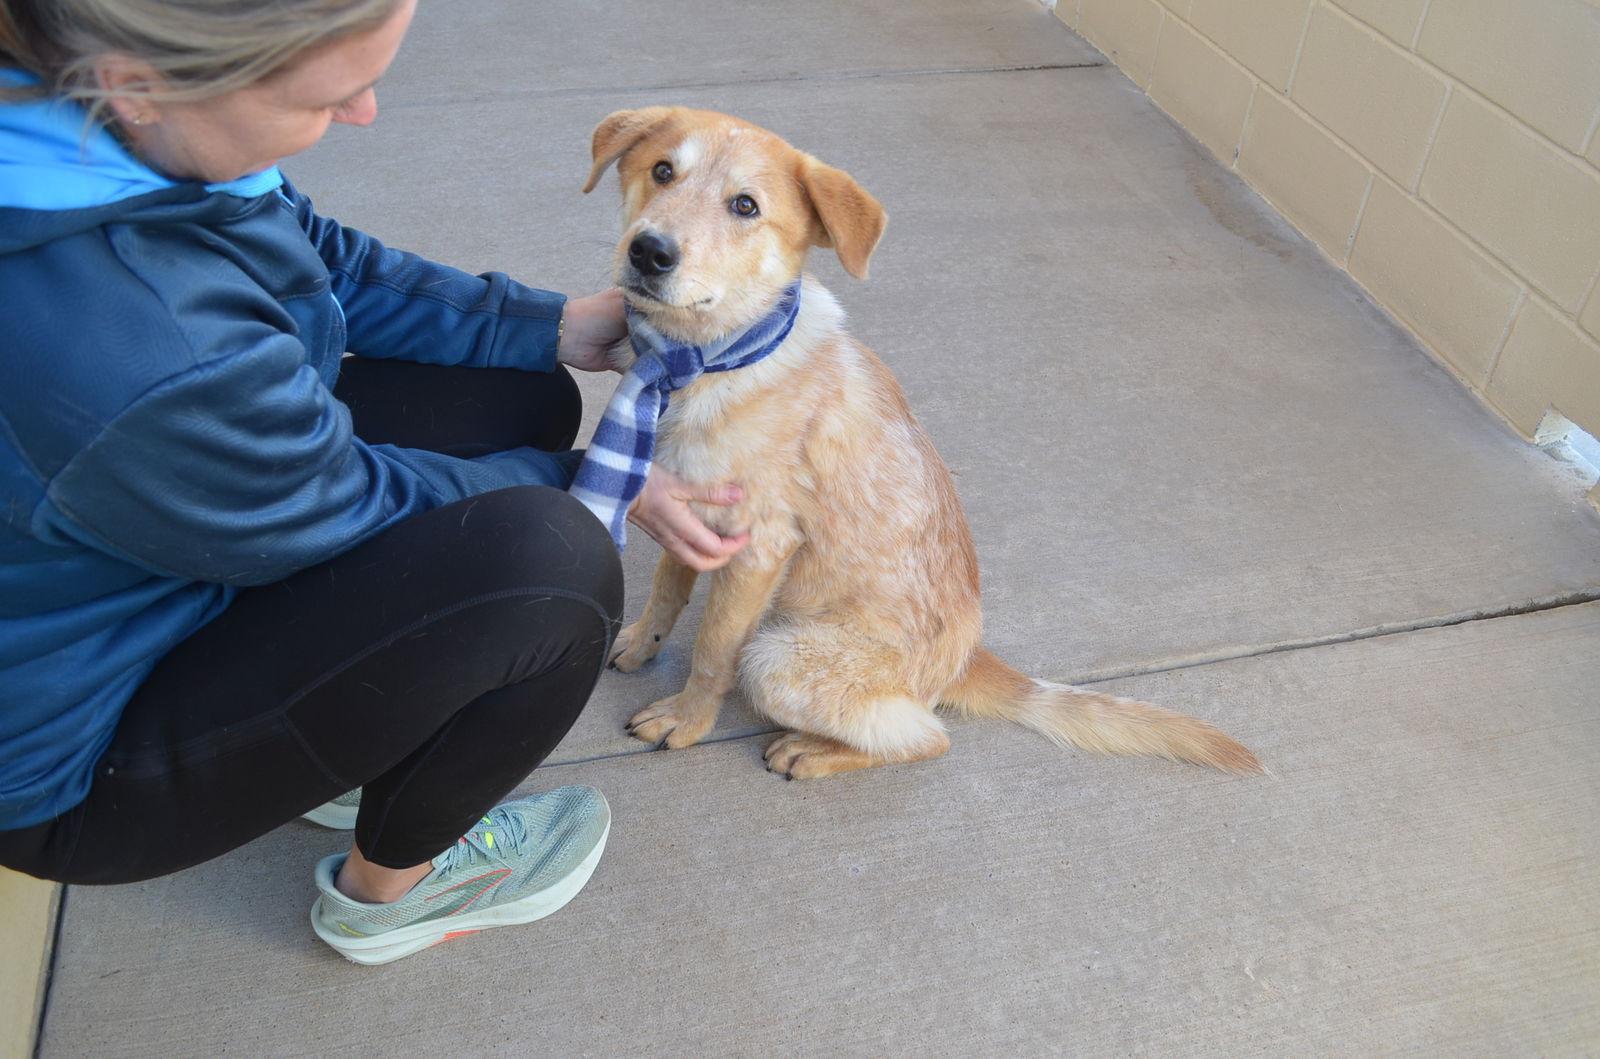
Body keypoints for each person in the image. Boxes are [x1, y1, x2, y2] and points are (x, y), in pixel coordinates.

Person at [0, 0, 745, 965]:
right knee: (552, 565)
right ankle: (392, 893)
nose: (366, 114)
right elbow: (342, 500)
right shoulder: (127, 339)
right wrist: (602, 481)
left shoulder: (99, 131)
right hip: (74, 761)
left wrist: (545, 324)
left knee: (511, 393)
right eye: (330, 93)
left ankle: (344, 742)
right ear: (134, 86)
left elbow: (309, 257)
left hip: (145, 570)